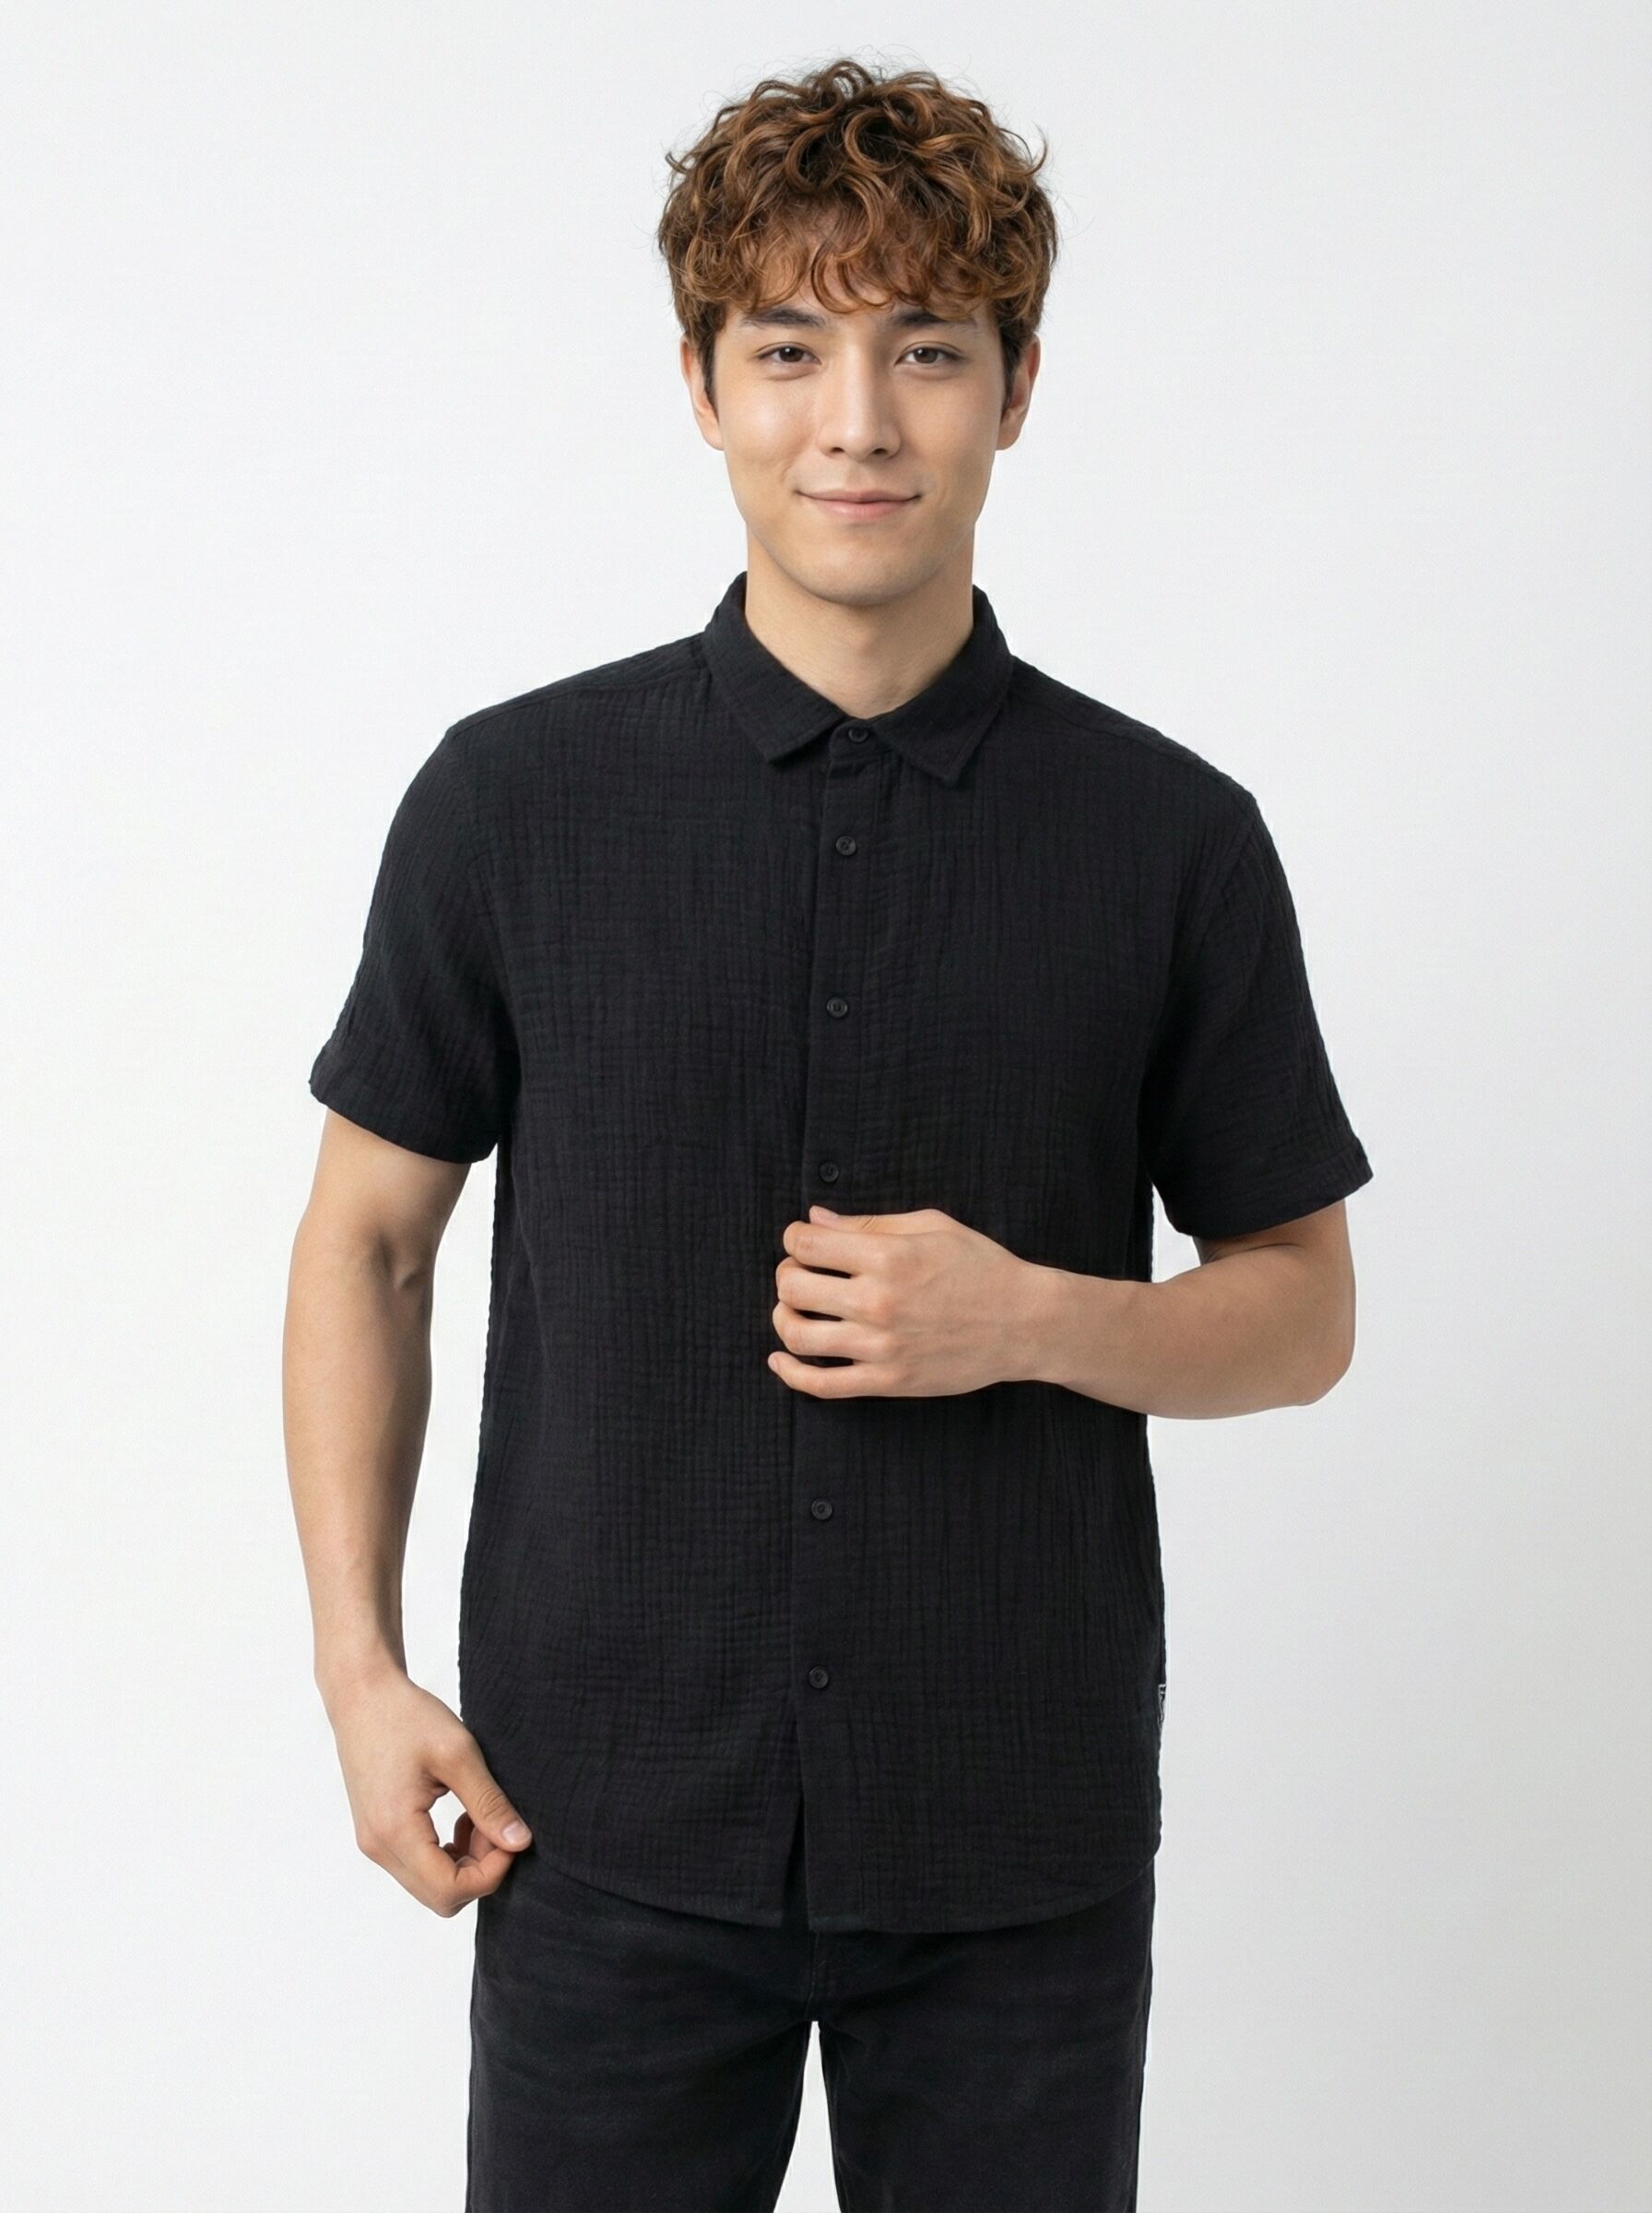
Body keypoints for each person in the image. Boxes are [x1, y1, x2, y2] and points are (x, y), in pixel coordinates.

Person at [284, 53, 1373, 2213]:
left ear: (1016, 387)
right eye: (787, 348)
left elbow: (1300, 1314)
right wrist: (359, 1675)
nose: (855, 422)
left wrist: (1029, 1318)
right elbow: (366, 1243)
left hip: (1013, 1853)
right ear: (700, 385)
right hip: (595, 1828)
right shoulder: (511, 805)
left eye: (924, 351)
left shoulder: (1167, 841)